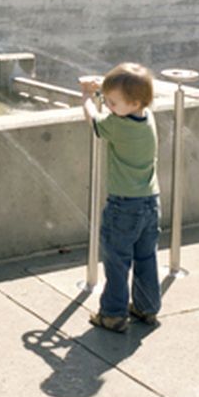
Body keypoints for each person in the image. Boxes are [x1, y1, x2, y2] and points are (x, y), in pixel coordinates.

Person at [78, 63, 162, 333]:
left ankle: (113, 314)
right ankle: (147, 307)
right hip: (150, 202)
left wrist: (86, 97)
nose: (108, 106)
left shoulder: (117, 126)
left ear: (134, 102)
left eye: (113, 102)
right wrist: (104, 92)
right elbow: (122, 103)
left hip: (123, 206)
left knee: (117, 261)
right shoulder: (147, 117)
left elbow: (94, 120)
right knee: (146, 257)